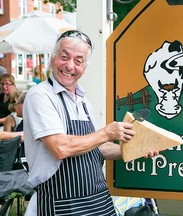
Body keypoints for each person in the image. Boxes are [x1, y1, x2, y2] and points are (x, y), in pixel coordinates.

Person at [23, 30, 159, 215]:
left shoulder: (83, 100)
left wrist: (135, 150)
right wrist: (107, 133)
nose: (70, 66)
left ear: (85, 67)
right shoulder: (40, 96)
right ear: (53, 58)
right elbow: (60, 148)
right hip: (62, 204)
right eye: (64, 57)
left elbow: (95, 147)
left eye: (78, 61)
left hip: (97, 200)